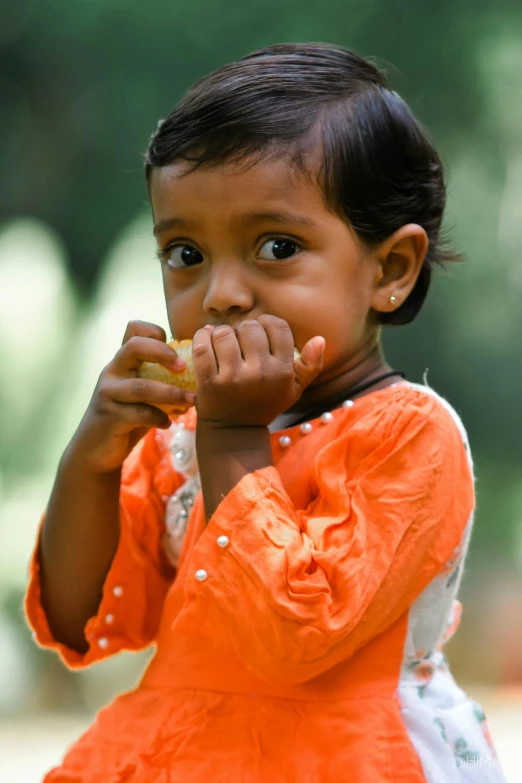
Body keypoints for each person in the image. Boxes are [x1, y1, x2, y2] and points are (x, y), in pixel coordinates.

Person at [25, 42, 506, 782]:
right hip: (184, 750)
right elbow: (78, 615)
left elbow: (294, 634)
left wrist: (234, 433)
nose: (220, 294)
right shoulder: (183, 434)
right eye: (184, 252)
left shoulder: (410, 436)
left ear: (390, 269)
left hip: (343, 754)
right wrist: (91, 458)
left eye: (276, 246)